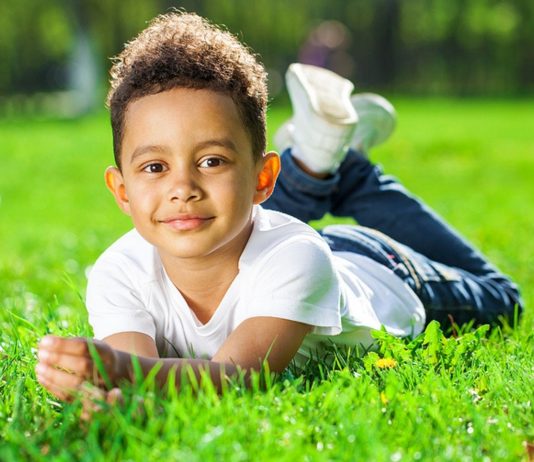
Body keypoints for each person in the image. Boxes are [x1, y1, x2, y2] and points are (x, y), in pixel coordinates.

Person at [35, 11, 522, 405]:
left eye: (210, 159)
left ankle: (346, 171)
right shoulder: (118, 270)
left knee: (506, 300)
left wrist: (120, 372)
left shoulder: (298, 257)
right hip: (266, 242)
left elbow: (234, 378)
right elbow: (139, 378)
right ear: (121, 191)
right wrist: (107, 398)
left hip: (385, 271)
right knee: (226, 208)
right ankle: (314, 164)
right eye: (155, 168)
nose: (181, 187)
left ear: (267, 178)